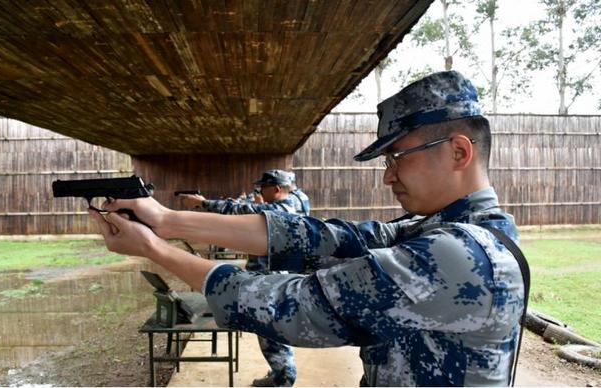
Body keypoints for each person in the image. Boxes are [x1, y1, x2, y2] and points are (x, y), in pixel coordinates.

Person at [89, 71, 525, 386]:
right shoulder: (439, 230)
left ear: (458, 152)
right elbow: (321, 237)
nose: (388, 175)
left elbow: (295, 307)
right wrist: (165, 221)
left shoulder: (461, 256)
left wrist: (156, 250)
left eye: (397, 157)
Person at [179, 169, 308, 387]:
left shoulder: (280, 210)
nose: (259, 192)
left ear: (276, 189)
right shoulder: (292, 203)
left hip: (271, 280)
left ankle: (283, 377)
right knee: (272, 328)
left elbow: (244, 209)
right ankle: (282, 374)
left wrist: (204, 203)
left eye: (263, 188)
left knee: (270, 328)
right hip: (275, 276)